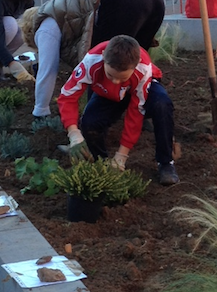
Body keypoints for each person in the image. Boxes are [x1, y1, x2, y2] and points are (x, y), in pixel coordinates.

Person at [19, 0, 165, 118]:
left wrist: (40, 109)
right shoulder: (59, 10)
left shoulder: (45, 27)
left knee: (103, 62)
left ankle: (93, 125)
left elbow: (48, 69)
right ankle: (150, 113)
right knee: (137, 63)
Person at [57, 35, 179, 186]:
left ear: (135, 66)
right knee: (89, 123)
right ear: (103, 58)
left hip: (139, 88)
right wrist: (74, 134)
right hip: (108, 94)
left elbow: (135, 113)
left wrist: (122, 155)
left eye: (121, 78)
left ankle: (166, 162)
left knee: (162, 104)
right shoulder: (91, 61)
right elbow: (67, 96)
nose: (115, 81)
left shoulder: (143, 68)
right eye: (111, 75)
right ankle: (100, 161)